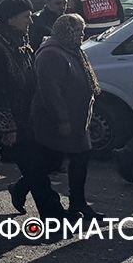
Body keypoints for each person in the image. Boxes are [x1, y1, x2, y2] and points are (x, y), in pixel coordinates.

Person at [0, 0, 65, 220]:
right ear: (10, 19)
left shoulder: (18, 40)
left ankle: (52, 213)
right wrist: (7, 127)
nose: (31, 21)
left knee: (34, 164)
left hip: (19, 116)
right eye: (26, 17)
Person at [28, 13, 104, 220]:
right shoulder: (51, 53)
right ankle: (20, 188)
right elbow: (50, 91)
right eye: (78, 30)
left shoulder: (73, 50)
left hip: (78, 120)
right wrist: (62, 119)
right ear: (66, 31)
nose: (82, 34)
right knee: (50, 162)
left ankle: (78, 203)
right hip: (59, 120)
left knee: (79, 160)